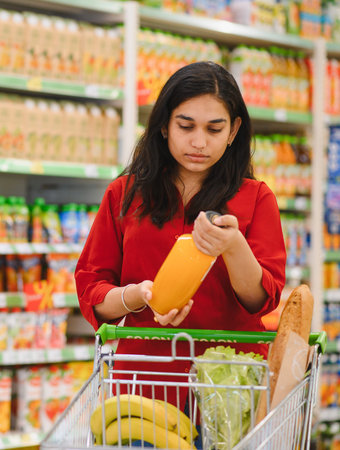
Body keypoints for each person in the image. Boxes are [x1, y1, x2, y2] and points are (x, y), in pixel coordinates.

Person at [75, 61, 286, 407]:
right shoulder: (124, 194)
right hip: (143, 383)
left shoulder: (256, 198)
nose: (199, 142)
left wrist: (233, 246)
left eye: (214, 130)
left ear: (233, 132)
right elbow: (92, 288)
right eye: (185, 126)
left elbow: (260, 299)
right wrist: (138, 295)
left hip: (230, 388)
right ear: (163, 126)